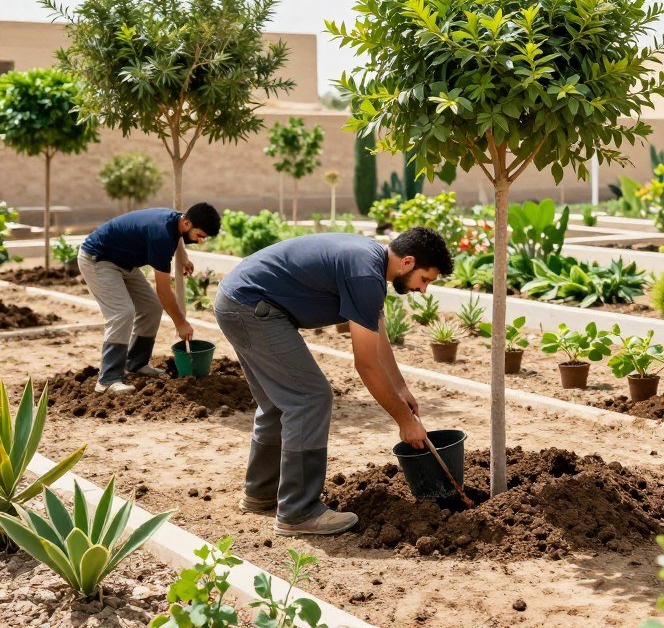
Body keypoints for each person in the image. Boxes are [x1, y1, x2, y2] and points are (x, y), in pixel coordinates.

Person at [214, 226, 453, 537]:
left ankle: (261, 494)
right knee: (310, 397)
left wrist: (400, 388)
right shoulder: (365, 275)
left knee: (278, 402)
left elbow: (377, 336)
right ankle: (298, 512)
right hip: (251, 307)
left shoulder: (369, 261)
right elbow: (366, 364)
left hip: (240, 301)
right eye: (425, 280)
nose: (423, 290)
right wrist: (405, 421)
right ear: (407, 262)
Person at [78, 203, 221, 395]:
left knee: (151, 308)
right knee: (122, 312)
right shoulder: (161, 235)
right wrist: (180, 323)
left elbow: (178, 238)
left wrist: (183, 257)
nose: (201, 241)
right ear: (187, 223)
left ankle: (135, 364)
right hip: (98, 259)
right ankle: (107, 380)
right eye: (200, 236)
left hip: (125, 264)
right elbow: (163, 291)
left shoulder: (177, 220)